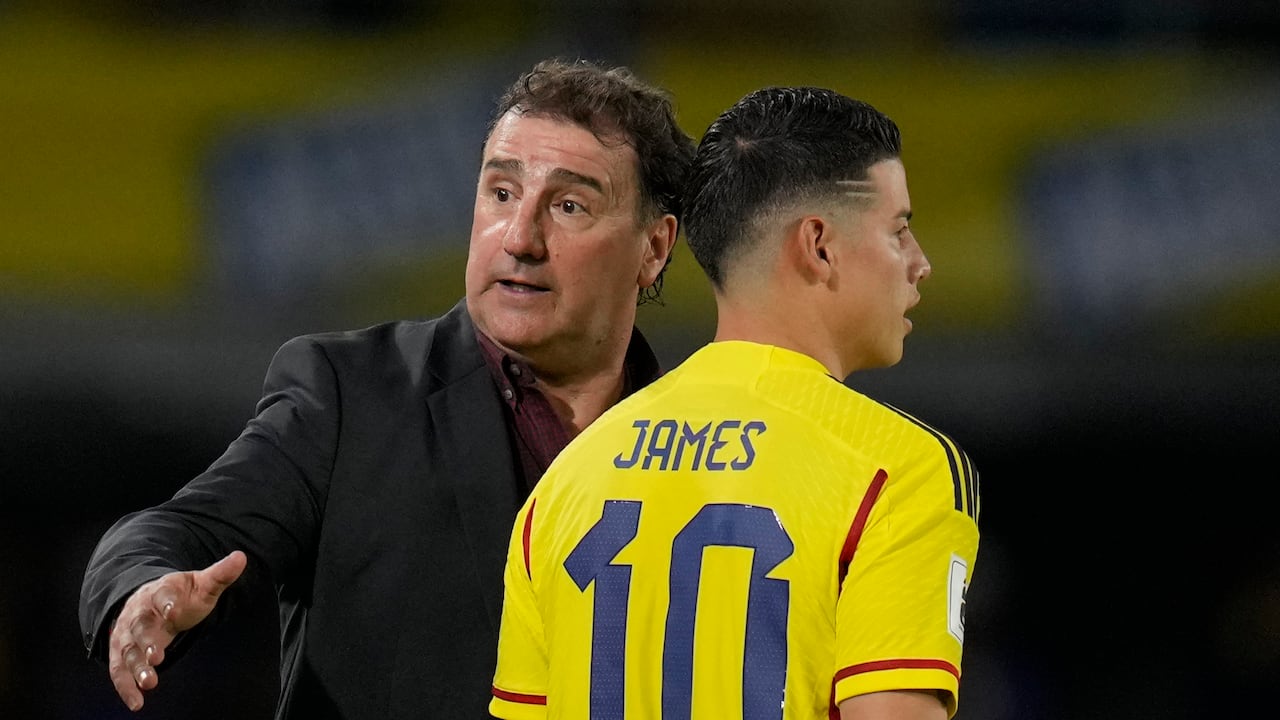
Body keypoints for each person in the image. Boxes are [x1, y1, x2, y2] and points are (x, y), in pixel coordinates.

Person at [78, 56, 696, 719]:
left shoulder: (703, 450)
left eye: (569, 205)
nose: (519, 238)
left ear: (654, 249)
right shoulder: (348, 397)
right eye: (501, 193)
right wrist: (143, 588)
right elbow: (182, 530)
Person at [489, 86, 981, 720]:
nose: (920, 264)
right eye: (900, 230)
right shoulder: (899, 470)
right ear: (819, 245)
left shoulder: (566, 481)